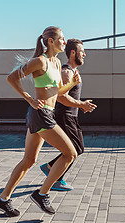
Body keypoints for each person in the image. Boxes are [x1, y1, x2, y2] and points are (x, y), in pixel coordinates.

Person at [0, 26, 80, 217]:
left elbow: (55, 93)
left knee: (29, 160)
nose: (64, 42)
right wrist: (29, 98)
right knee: (70, 153)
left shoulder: (56, 63)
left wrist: (72, 84)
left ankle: (2, 199)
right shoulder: (39, 62)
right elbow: (12, 78)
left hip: (45, 113)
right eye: (62, 39)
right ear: (50, 41)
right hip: (41, 115)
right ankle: (42, 194)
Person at [40, 39, 97, 191]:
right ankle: (54, 176)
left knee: (76, 148)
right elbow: (61, 97)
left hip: (71, 116)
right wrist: (81, 104)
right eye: (82, 51)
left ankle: (50, 168)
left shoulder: (73, 71)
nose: (84, 54)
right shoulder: (66, 72)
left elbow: (70, 96)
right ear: (73, 53)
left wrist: (81, 105)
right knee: (75, 149)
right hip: (64, 116)